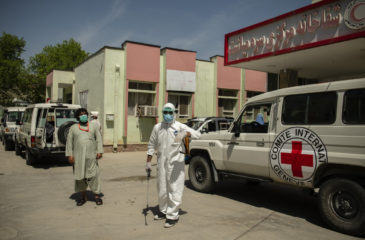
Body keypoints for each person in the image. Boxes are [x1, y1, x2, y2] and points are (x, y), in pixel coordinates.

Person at [145, 103, 201, 228]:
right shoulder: (157, 127)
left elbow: (198, 134)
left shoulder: (180, 126)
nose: (168, 115)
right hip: (161, 162)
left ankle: (173, 215)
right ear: (162, 113)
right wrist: (148, 162)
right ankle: (163, 210)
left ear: (174, 113)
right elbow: (151, 145)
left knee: (174, 188)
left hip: (176, 162)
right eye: (165, 112)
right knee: (162, 188)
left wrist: (185, 134)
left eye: (170, 112)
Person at [66, 108, 104, 206]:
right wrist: (70, 155)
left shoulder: (93, 126)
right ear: (78, 117)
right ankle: (83, 197)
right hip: (78, 157)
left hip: (91, 156)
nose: (83, 116)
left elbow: (99, 139)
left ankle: (96, 196)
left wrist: (99, 151)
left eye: (85, 114)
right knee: (80, 177)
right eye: (81, 114)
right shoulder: (73, 127)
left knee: (94, 175)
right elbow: (69, 142)